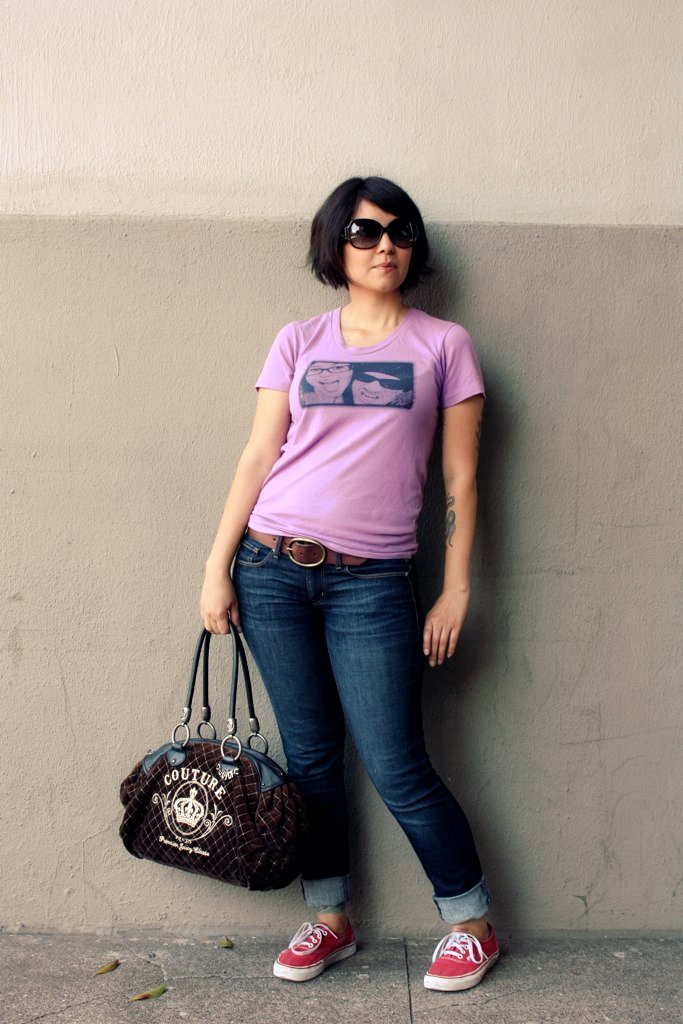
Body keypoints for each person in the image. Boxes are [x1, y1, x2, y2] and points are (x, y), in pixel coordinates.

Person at [200, 175, 499, 993]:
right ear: (336, 243)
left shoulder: (444, 345)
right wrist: (216, 566)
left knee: (397, 765)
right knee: (309, 761)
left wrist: (456, 589)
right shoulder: (297, 338)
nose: (383, 245)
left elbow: (461, 482)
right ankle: (330, 917)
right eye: (364, 232)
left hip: (373, 586)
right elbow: (258, 457)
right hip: (269, 569)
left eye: (399, 232)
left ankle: (470, 923)